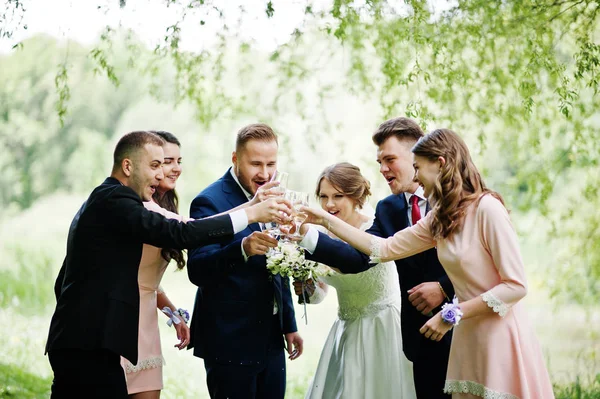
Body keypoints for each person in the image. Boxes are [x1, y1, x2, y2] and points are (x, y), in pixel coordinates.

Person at [301, 129, 555, 398]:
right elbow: (384, 248)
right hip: (466, 337)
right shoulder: (440, 218)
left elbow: (515, 286)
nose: (417, 177)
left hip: (499, 334)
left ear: (441, 164)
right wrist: (323, 220)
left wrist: (451, 314)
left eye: (418, 168)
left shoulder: (488, 209)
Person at [45, 131, 290, 399]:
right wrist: (252, 214)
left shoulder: (121, 199)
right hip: (88, 340)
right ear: (128, 166)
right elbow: (179, 235)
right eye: (155, 166)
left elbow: (188, 226)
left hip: (102, 339)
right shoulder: (114, 200)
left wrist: (249, 206)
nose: (161, 175)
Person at [298, 117, 453, 398]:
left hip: (460, 327)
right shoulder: (388, 208)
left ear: (415, 155)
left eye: (389, 159)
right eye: (380, 161)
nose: (382, 169)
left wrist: (444, 288)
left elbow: (479, 261)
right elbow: (361, 257)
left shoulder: (453, 198)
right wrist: (307, 232)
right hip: (416, 338)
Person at [187, 123, 303, 399]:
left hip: (271, 342)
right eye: (255, 164)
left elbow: (279, 266)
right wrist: (243, 248)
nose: (264, 174)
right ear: (235, 159)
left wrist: (289, 324)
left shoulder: (276, 198)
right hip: (229, 341)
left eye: (271, 164)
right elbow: (198, 269)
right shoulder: (209, 201)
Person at [294, 162, 416, 399]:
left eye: (338, 196)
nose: (329, 204)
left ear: (355, 195)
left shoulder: (375, 227)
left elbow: (353, 264)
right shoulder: (318, 237)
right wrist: (306, 287)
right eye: (323, 196)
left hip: (383, 328)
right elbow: (320, 294)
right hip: (346, 328)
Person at [120, 131, 191, 398]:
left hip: (147, 318)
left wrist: (173, 313)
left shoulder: (166, 205)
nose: (173, 169)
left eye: (177, 161)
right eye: (163, 162)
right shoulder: (136, 205)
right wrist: (251, 211)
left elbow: (149, 277)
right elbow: (192, 230)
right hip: (122, 314)